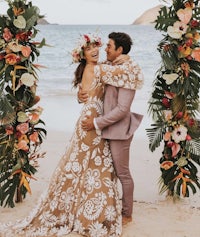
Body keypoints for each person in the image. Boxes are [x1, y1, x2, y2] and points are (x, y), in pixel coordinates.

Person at [0, 33, 143, 237]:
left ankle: (93, 210)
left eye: (99, 46)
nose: (96, 50)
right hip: (91, 124)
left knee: (89, 169)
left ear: (118, 50)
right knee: (91, 168)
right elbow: (122, 74)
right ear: (82, 54)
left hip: (94, 123)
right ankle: (89, 211)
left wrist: (82, 95)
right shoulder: (100, 68)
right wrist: (132, 68)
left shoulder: (100, 68)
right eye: (89, 48)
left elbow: (107, 83)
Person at [79, 32, 144, 226]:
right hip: (105, 129)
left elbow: (122, 110)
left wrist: (96, 123)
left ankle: (127, 214)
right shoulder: (109, 68)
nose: (104, 49)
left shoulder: (127, 72)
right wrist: (81, 95)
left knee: (122, 173)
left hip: (119, 131)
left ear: (119, 50)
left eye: (109, 46)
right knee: (108, 172)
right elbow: (93, 88)